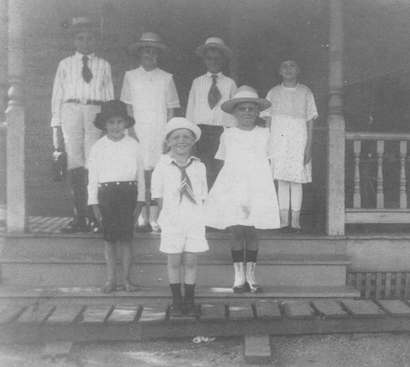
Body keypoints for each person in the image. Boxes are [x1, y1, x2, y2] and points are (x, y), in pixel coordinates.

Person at [205, 86, 280, 293]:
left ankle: (251, 276)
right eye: (242, 109)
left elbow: (270, 162)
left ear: (257, 112)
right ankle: (238, 277)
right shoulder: (228, 135)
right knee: (236, 229)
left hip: (258, 185)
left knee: (252, 230)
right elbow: (224, 164)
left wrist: (265, 191)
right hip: (234, 185)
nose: (247, 112)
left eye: (251, 109)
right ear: (234, 113)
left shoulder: (265, 133)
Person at [51, 17, 114, 233]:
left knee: (93, 160)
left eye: (89, 38)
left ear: (95, 41)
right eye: (80, 38)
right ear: (74, 41)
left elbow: (109, 96)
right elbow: (57, 96)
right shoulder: (65, 64)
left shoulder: (103, 65)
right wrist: (56, 125)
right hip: (71, 109)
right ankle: (79, 216)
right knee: (75, 162)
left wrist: (108, 123)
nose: (85, 42)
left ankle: (94, 216)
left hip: (95, 111)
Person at [121, 32, 180, 232]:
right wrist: (131, 131)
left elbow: (171, 109)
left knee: (157, 175)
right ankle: (141, 216)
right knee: (140, 175)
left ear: (158, 54)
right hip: (138, 131)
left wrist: (169, 135)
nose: (149, 53)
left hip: (159, 132)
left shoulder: (167, 78)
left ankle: (156, 217)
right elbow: (127, 107)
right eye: (145, 50)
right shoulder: (130, 76)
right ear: (139, 53)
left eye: (153, 50)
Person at [151, 117, 209, 316]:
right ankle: (177, 300)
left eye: (186, 137)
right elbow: (157, 195)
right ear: (168, 142)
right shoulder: (162, 166)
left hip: (194, 219)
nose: (181, 141)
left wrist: (201, 216)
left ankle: (189, 300)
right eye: (176, 137)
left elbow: (203, 194)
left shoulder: (199, 166)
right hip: (173, 220)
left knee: (191, 261)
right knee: (174, 261)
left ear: (193, 141)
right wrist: (166, 218)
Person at [87, 100, 145, 293]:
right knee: (110, 240)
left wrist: (140, 200)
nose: (115, 126)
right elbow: (92, 178)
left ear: (126, 124)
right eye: (111, 123)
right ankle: (111, 280)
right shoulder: (97, 147)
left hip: (128, 194)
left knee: (126, 239)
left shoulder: (134, 145)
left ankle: (127, 280)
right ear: (104, 125)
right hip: (107, 196)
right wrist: (94, 203)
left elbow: (140, 176)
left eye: (119, 122)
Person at [262, 59, 318, 232]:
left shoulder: (305, 92)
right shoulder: (273, 92)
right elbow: (268, 121)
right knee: (282, 180)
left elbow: (310, 121)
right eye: (284, 66)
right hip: (278, 139)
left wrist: (308, 146)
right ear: (279, 70)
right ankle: (283, 219)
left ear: (298, 70)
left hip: (298, 139)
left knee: (296, 180)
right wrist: (266, 144)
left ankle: (295, 219)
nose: (288, 69)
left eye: (292, 65)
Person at [186, 37, 237, 188]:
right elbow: (191, 109)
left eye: (217, 58)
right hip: (201, 132)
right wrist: (190, 134)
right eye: (209, 58)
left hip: (222, 132)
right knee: (202, 170)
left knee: (221, 171)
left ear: (223, 60)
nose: (213, 62)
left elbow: (234, 112)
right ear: (204, 60)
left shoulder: (230, 83)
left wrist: (232, 134)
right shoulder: (197, 82)